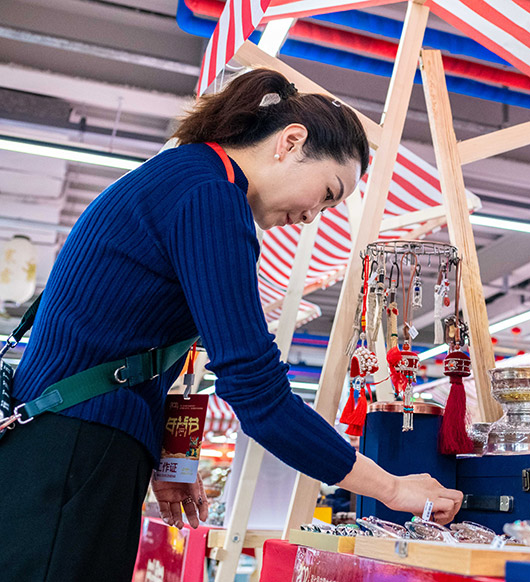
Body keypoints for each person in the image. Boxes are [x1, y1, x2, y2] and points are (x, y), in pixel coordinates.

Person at [0, 69, 462, 581]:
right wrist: (392, 487)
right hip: (74, 454)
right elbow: (258, 395)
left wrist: (169, 459)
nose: (314, 216)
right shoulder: (212, 199)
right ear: (290, 142)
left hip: (65, 445)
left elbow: (134, 351)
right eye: (328, 192)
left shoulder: (185, 176)